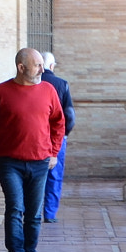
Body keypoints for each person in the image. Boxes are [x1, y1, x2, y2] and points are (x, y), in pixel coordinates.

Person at [0, 47, 67, 252]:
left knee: (34, 215)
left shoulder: (48, 90)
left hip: (40, 163)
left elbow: (59, 122)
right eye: (37, 65)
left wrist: (54, 152)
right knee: (15, 209)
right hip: (10, 163)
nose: (41, 69)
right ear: (21, 67)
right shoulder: (1, 92)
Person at [39, 52, 76, 222]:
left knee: (32, 174)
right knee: (54, 175)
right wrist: (64, 134)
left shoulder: (31, 83)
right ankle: (50, 213)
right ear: (52, 66)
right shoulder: (61, 84)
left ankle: (30, 211)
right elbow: (70, 115)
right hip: (56, 138)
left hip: (35, 138)